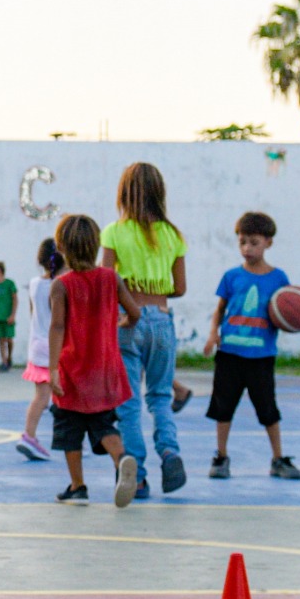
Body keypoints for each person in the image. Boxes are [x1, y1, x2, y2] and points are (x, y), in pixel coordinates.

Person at [101, 162, 192, 497]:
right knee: (160, 396)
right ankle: (170, 451)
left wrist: (131, 296)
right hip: (162, 321)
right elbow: (180, 287)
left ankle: (135, 475)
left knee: (128, 402)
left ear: (123, 193)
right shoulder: (173, 235)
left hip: (128, 320)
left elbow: (106, 280)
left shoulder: (114, 232)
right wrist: (154, 292)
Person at [200, 210, 300, 481]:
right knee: (223, 408)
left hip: (261, 356)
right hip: (229, 355)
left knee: (268, 409)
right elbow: (220, 309)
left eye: (254, 242)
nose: (247, 248)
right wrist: (213, 334)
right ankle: (221, 457)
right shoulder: (231, 277)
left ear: (268, 242)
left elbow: (287, 315)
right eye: (242, 242)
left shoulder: (279, 279)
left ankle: (278, 459)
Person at [46, 214, 139, 505]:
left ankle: (78, 485)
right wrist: (124, 322)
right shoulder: (111, 278)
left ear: (61, 247)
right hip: (105, 368)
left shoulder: (62, 285)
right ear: (97, 243)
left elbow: (58, 326)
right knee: (102, 424)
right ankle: (121, 457)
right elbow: (134, 313)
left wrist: (52, 369)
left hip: (73, 369)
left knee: (69, 427)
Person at [15, 238, 62, 461]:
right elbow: (60, 320)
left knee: (41, 396)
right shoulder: (61, 285)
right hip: (54, 346)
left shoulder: (34, 283)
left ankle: (29, 436)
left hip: (36, 344)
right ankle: (70, 439)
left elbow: (33, 313)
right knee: (62, 395)